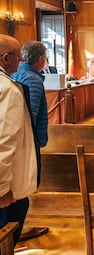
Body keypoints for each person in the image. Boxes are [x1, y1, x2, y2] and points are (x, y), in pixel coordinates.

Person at [0, 34, 39, 247]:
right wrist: (2, 189)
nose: (21, 61)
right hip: (5, 188)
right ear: (6, 58)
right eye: (18, 57)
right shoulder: (7, 89)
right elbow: (4, 143)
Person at [12, 41, 50, 241]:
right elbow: (29, 115)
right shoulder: (33, 79)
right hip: (25, 142)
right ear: (41, 59)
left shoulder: (17, 74)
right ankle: (12, 232)